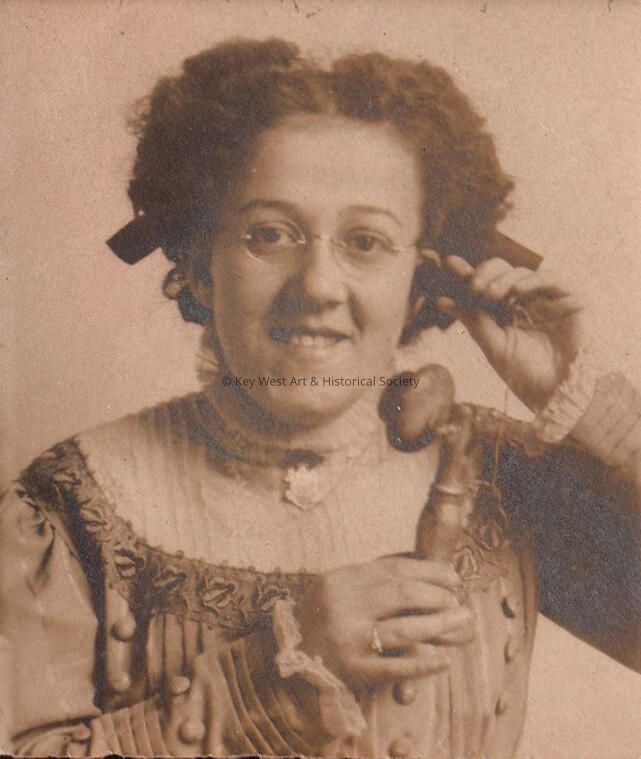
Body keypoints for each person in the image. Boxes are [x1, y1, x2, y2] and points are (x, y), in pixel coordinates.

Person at [1, 37, 640, 758]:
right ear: (201, 266)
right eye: (270, 234)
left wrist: (588, 403)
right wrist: (278, 670)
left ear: (420, 284)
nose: (318, 286)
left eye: (366, 242)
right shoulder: (71, 505)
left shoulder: (493, 471)